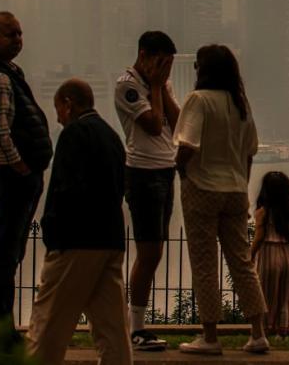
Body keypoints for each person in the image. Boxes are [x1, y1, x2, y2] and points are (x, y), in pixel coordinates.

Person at [26, 79, 131, 365]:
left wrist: (53, 234)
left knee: (48, 323)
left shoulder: (73, 134)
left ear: (68, 104)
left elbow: (65, 189)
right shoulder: (111, 136)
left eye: (58, 108)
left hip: (76, 241)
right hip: (110, 239)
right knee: (112, 329)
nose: (58, 116)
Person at [173, 45, 268, 355]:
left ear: (204, 70)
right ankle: (257, 332)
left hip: (202, 187)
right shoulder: (241, 104)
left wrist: (180, 169)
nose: (196, 70)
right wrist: (241, 180)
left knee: (204, 263)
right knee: (241, 261)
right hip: (235, 189)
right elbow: (250, 151)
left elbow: (188, 144)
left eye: (198, 65)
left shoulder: (197, 101)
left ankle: (210, 336)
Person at [0, 11, 53, 343]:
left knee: (11, 252)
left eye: (19, 34)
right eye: (10, 35)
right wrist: (20, 167)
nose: (18, 40)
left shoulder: (8, 72)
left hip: (17, 176)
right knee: (7, 253)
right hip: (13, 178)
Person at [114, 31, 180, 351]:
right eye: (161, 62)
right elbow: (153, 125)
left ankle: (137, 325)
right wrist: (154, 85)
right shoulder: (126, 86)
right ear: (143, 56)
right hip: (142, 174)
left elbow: (178, 122)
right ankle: (135, 328)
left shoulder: (161, 85)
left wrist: (162, 85)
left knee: (155, 251)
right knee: (149, 251)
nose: (165, 70)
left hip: (166, 171)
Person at [251, 171, 289, 339]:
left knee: (266, 296)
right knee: (285, 297)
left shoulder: (263, 212)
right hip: (287, 255)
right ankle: (283, 331)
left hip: (268, 254)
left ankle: (266, 329)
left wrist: (250, 255)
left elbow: (259, 237)